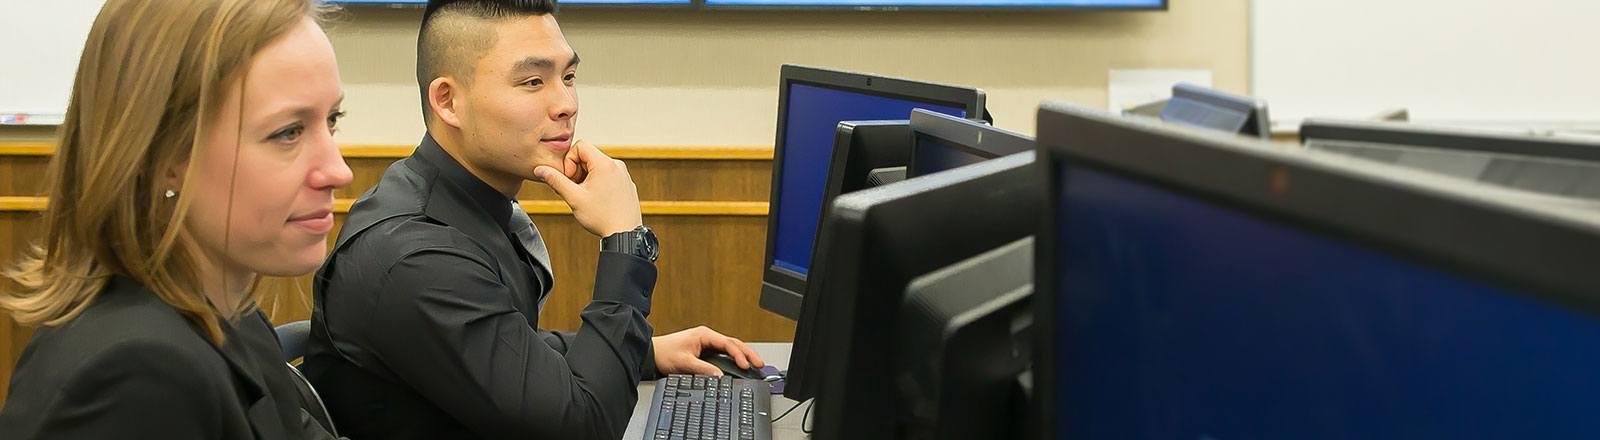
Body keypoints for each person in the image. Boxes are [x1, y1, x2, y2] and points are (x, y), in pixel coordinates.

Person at [299, 0, 764, 438]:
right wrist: (625, 240)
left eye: (569, 75)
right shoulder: (414, 254)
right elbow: (583, 427)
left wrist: (647, 352)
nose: (565, 104)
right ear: (447, 101)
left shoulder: (457, 203)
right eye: (533, 82)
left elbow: (502, 349)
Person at [0, 0, 353, 438]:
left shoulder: (228, 312)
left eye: (332, 120)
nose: (339, 171)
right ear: (165, 152)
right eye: (288, 132)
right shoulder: (137, 377)